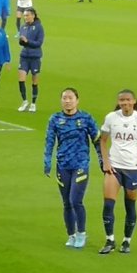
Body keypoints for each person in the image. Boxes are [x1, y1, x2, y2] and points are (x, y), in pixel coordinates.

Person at [44, 87, 101, 249]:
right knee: (66, 203)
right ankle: (71, 235)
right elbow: (49, 141)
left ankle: (82, 233)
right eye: (64, 98)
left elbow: (97, 140)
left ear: (77, 100)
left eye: (70, 98)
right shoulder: (55, 119)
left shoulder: (86, 118)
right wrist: (47, 161)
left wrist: (103, 161)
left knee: (75, 199)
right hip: (63, 165)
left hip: (81, 164)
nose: (67, 101)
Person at [98, 89, 137, 255]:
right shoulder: (111, 118)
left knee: (130, 205)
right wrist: (106, 162)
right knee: (108, 204)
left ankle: (127, 241)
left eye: (128, 100)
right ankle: (110, 240)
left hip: (133, 168)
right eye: (122, 100)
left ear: (134, 101)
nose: (125, 103)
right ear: (118, 102)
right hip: (114, 167)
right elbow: (103, 141)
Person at [16, 7, 44, 113]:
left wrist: (28, 41)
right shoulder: (23, 27)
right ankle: (24, 101)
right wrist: (22, 41)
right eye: (24, 16)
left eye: (27, 15)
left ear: (33, 15)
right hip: (24, 56)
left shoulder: (39, 27)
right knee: (21, 79)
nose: (25, 17)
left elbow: (39, 43)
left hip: (35, 57)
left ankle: (33, 103)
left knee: (34, 81)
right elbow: (22, 43)